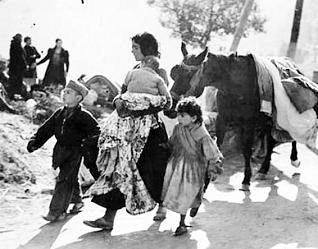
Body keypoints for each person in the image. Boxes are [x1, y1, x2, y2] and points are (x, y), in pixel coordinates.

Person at [83, 32, 171, 230]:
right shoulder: (133, 70)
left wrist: (137, 106)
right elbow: (122, 94)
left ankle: (162, 205)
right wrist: (119, 102)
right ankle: (108, 218)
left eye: (135, 48)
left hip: (151, 131)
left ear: (146, 49)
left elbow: (163, 103)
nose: (132, 51)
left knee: (154, 170)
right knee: (119, 166)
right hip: (127, 129)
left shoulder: (160, 72)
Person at [27, 80, 100, 222]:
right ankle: (77, 201)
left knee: (64, 179)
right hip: (60, 151)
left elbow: (97, 132)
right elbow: (46, 129)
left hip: (75, 151)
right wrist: (35, 142)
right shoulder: (59, 113)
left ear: (78, 98)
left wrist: (87, 142)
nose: (64, 94)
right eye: (64, 91)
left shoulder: (84, 115)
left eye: (68, 92)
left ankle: (56, 212)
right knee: (68, 178)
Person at [161, 97, 223, 236]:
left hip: (193, 169)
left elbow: (211, 153)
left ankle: (182, 223)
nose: (179, 118)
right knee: (178, 193)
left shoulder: (201, 133)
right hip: (177, 166)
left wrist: (213, 167)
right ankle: (192, 207)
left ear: (194, 117)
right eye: (178, 115)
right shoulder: (178, 128)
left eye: (182, 116)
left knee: (186, 193)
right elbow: (172, 142)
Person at [7, 33, 28, 100]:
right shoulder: (17, 45)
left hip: (14, 67)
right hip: (18, 68)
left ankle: (12, 95)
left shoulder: (13, 45)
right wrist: (25, 65)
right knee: (17, 82)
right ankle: (15, 96)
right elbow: (20, 57)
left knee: (13, 82)